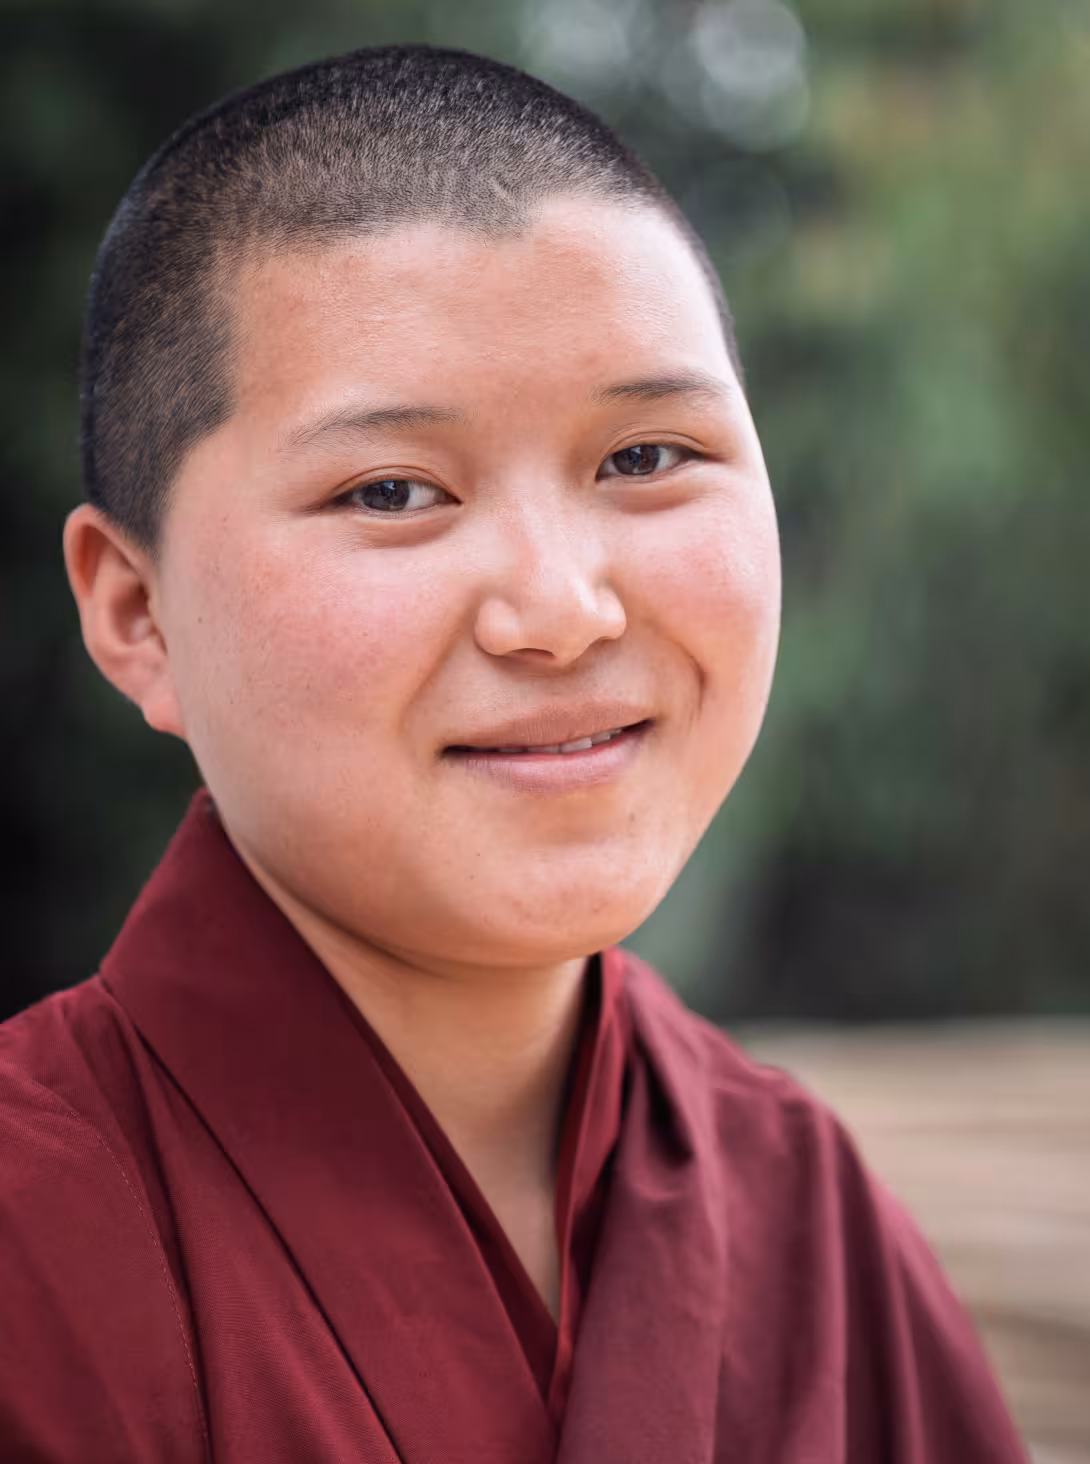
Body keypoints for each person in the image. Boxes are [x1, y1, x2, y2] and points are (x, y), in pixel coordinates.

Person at [0, 42, 1026, 1464]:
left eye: (645, 458)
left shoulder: (802, 1211)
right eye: (392, 490)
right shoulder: (36, 1239)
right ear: (136, 612)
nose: (562, 609)